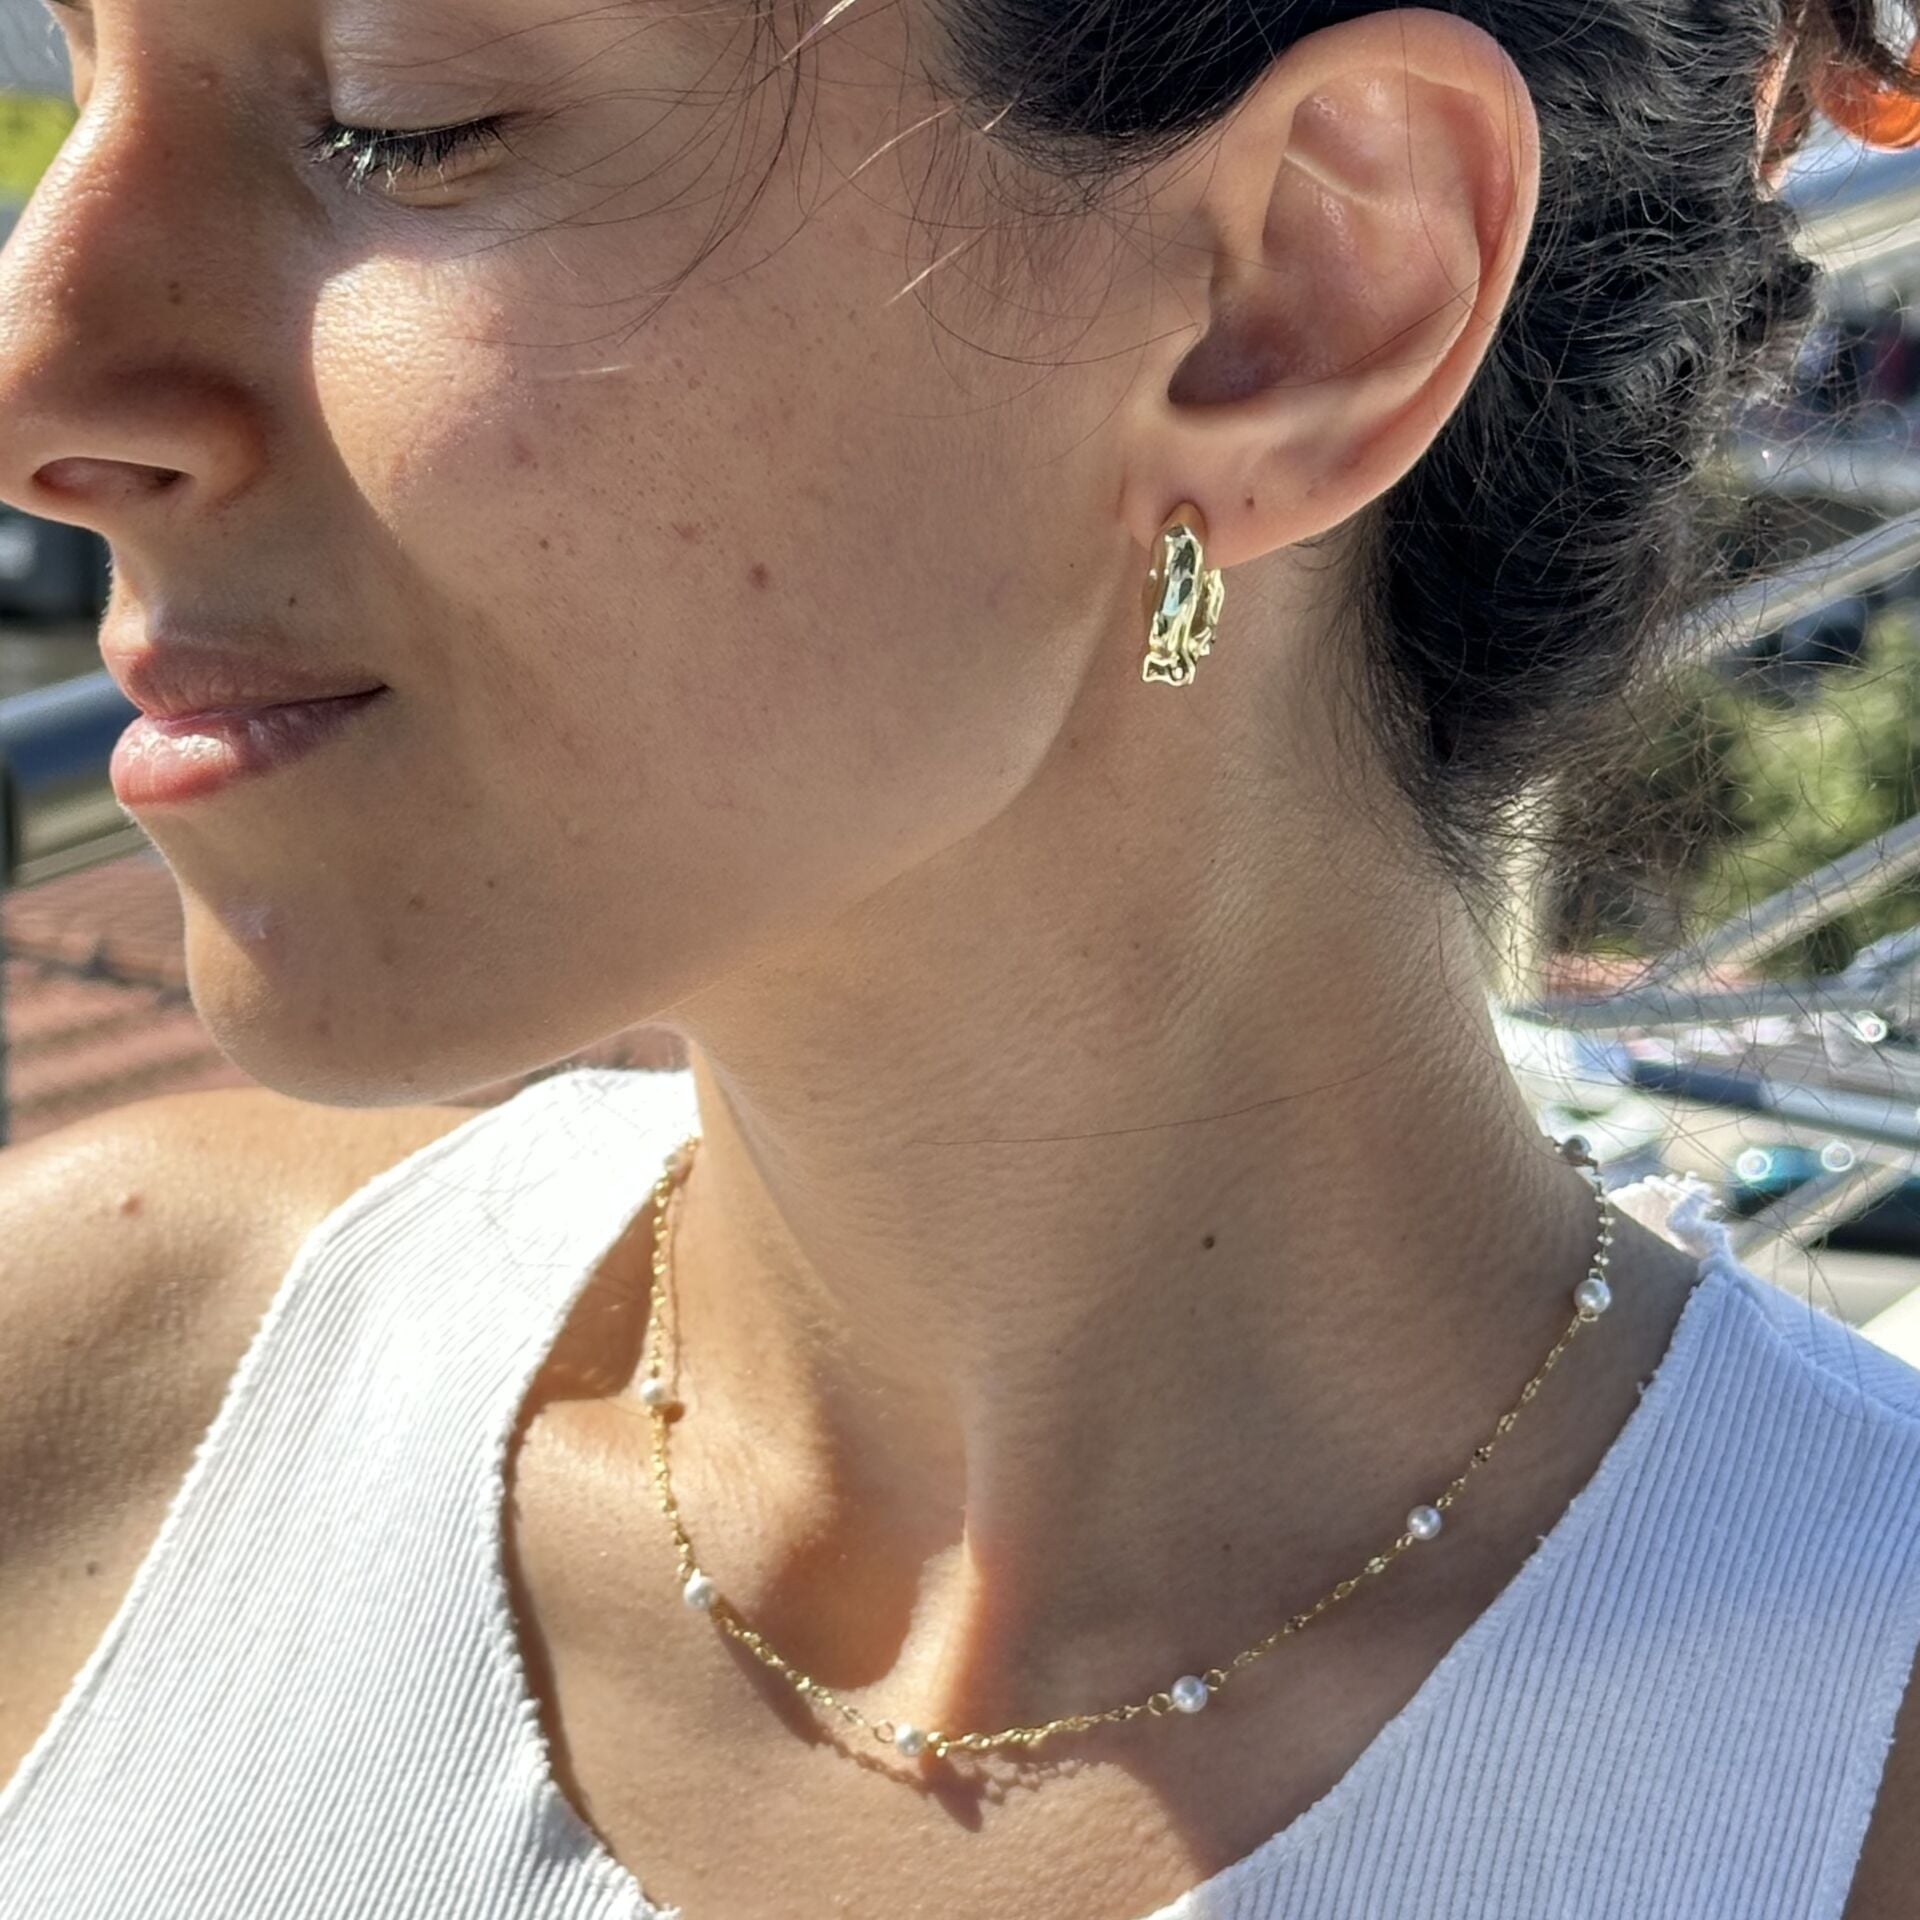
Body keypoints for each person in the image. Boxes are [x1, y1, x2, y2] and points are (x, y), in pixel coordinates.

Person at [1, 1, 1918, 1914]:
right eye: (76, 70)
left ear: (1297, 299)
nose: (34, 379)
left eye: (397, 120)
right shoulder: (88, 1386)